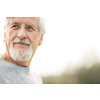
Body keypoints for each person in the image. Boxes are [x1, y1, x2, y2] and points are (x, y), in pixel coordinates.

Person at [0, 17, 46, 84]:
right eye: (15, 26)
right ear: (5, 35)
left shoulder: (37, 78)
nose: (21, 35)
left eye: (30, 28)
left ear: (40, 39)